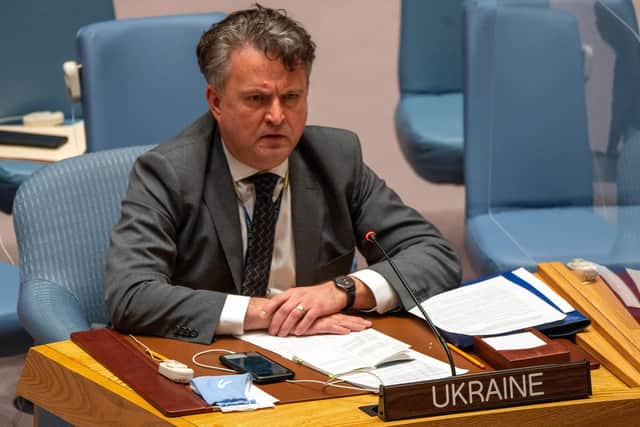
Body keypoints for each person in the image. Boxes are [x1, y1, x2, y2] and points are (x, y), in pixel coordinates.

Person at [104, 4, 461, 344]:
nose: (277, 116)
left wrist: (342, 291)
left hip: (323, 355)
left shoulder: (335, 159)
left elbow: (433, 255)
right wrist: (268, 312)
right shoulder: (170, 172)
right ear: (215, 102)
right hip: (210, 356)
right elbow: (131, 294)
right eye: (257, 100)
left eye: (291, 97)